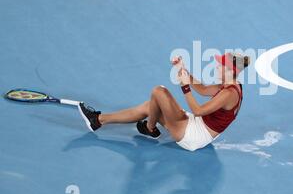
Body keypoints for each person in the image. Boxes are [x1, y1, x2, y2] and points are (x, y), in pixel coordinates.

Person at [78, 53, 250, 151]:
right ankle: (98, 120)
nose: (216, 66)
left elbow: (198, 110)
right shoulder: (230, 83)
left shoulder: (228, 94)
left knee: (159, 91)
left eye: (220, 65)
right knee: (150, 106)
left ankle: (150, 128)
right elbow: (203, 90)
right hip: (198, 125)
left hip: (195, 135)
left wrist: (185, 88)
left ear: (229, 70)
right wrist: (182, 70)